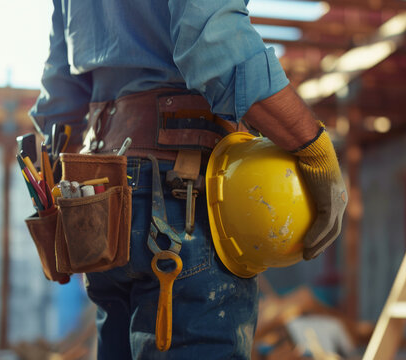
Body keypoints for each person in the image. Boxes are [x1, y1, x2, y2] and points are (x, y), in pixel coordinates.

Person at [29, 1, 346, 359]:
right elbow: (214, 43)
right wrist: (313, 145)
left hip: (102, 198)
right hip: (180, 193)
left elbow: (59, 101)